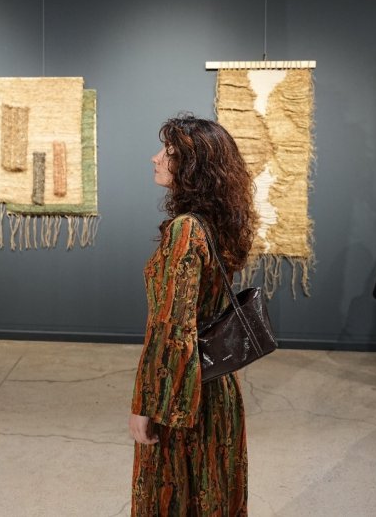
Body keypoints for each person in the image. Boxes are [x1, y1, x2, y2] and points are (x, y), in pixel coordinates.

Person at [129, 114, 257, 516]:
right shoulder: (217, 223)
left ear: (192, 168)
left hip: (183, 396)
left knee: (175, 498)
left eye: (167, 153)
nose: (155, 158)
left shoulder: (185, 230)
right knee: (212, 493)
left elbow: (173, 330)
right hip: (218, 385)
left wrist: (146, 405)